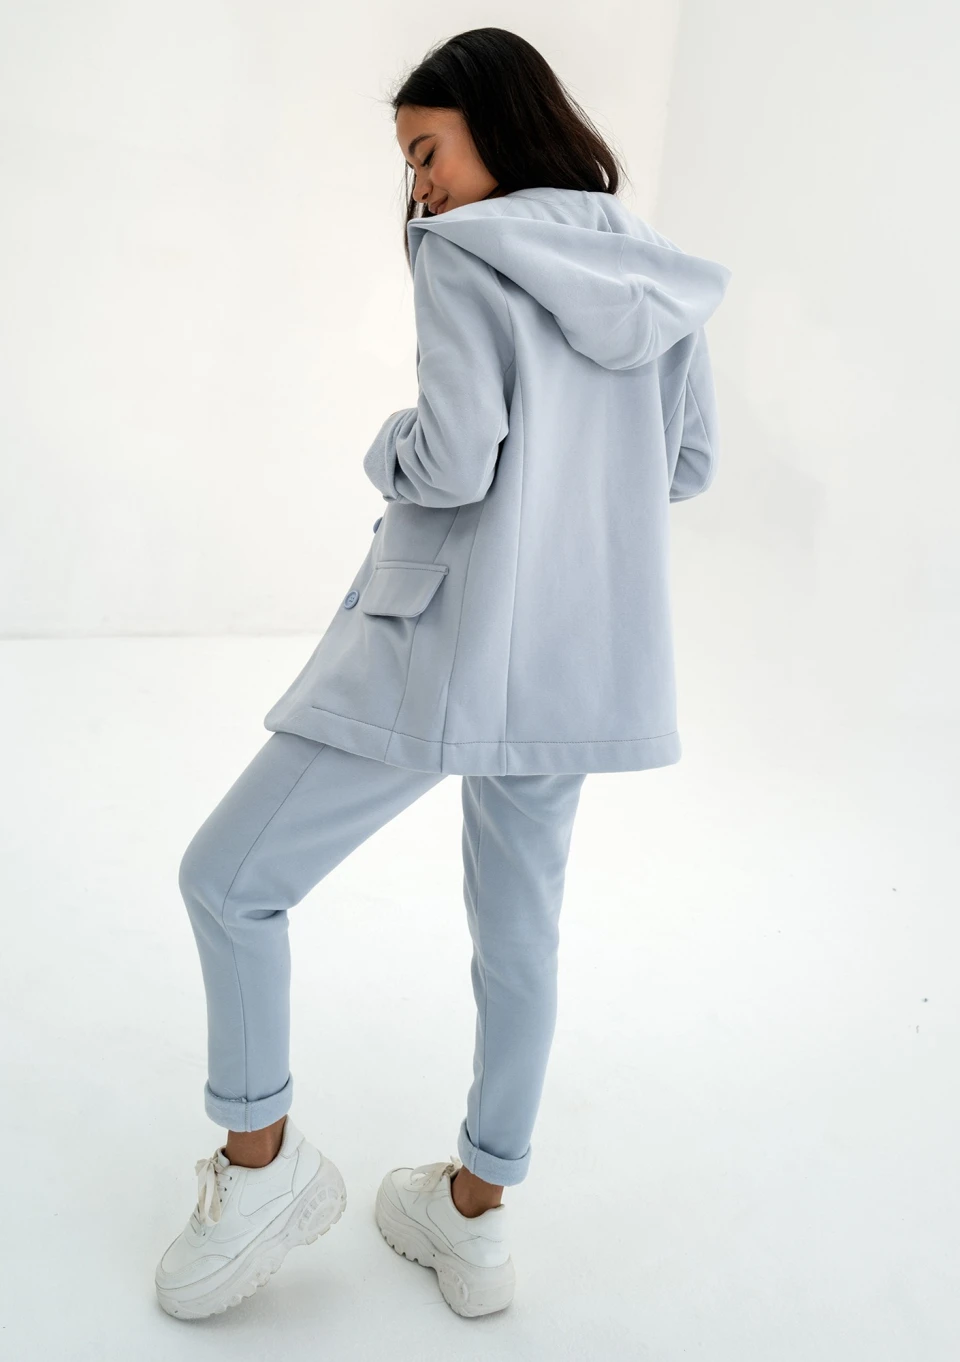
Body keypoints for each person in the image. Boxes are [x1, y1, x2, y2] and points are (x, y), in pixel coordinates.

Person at [154, 25, 732, 1323]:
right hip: (577, 660)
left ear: (497, 125)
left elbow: (455, 461)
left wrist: (386, 449)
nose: (418, 185)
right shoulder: (656, 269)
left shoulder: (466, 252)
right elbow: (686, 467)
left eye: (427, 150)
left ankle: (262, 1165)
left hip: (442, 643)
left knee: (229, 879)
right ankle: (474, 1217)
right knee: (520, 939)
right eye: (410, 164)